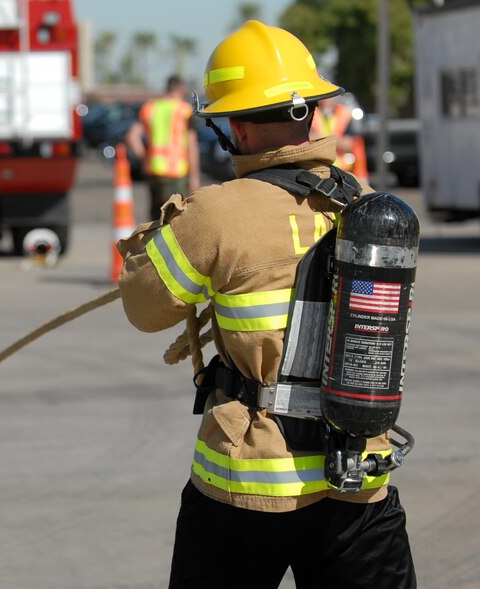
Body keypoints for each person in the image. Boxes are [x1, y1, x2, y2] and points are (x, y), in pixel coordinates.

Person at [116, 21, 416, 588]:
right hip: (359, 477)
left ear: (237, 128)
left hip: (248, 485)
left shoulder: (218, 214)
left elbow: (143, 308)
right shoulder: (367, 208)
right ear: (311, 114)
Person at [126, 75, 200, 220]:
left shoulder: (150, 108)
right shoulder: (184, 110)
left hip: (154, 170)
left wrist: (145, 157)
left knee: (155, 218)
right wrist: (194, 177)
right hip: (176, 173)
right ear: (180, 88)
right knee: (175, 219)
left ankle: (151, 242)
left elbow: (132, 137)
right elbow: (192, 146)